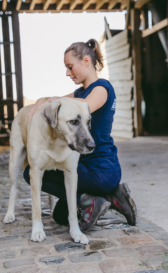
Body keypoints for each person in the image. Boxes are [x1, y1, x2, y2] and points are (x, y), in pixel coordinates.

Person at [23, 38, 137, 232]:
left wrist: (56, 103)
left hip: (100, 170)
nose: (67, 73)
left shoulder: (101, 88)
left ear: (86, 61)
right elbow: (56, 101)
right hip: (85, 167)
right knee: (60, 215)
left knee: (29, 173)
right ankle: (112, 195)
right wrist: (44, 101)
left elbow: (81, 109)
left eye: (70, 67)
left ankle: (98, 197)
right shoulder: (80, 92)